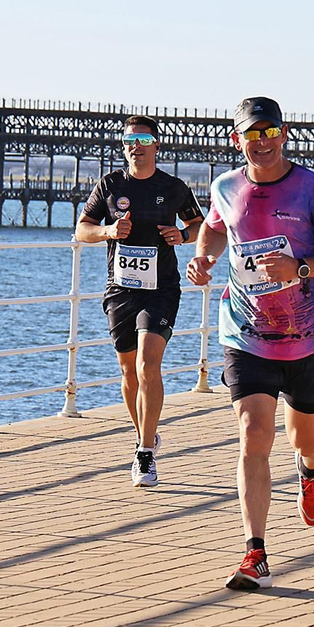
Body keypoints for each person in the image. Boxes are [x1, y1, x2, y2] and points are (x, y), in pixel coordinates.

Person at [186, 97, 314, 592]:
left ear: (284, 134)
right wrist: (202, 258)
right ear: (235, 140)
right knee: (252, 433)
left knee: (304, 436)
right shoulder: (225, 186)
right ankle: (254, 551)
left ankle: (312, 469)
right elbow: (216, 230)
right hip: (246, 331)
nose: (261, 142)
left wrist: (300, 269)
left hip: (310, 335)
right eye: (250, 134)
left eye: (269, 132)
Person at [76, 116, 205, 487]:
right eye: (129, 139)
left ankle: (145, 453)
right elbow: (82, 229)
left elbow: (200, 225)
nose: (136, 145)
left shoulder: (173, 186)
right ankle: (143, 434)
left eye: (143, 139)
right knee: (128, 371)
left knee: (150, 365)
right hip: (121, 288)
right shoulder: (110, 185)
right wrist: (108, 231)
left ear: (156, 146)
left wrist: (181, 234)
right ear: (124, 147)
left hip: (161, 288)